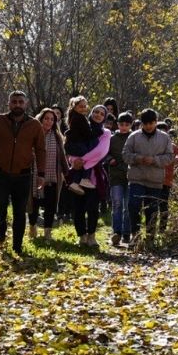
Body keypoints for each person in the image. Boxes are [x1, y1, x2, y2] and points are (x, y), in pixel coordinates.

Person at [0, 91, 45, 255]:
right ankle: (1, 228)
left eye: (20, 102)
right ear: (9, 104)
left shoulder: (34, 125)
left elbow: (41, 150)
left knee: (19, 211)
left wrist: (41, 174)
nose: (17, 105)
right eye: (14, 102)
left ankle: (17, 245)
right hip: (1, 173)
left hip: (23, 175)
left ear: (25, 104)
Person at [122, 108, 174, 246]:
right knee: (133, 206)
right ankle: (135, 236)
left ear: (156, 122)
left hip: (155, 180)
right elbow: (125, 155)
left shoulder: (165, 137)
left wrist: (155, 160)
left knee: (152, 211)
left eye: (151, 123)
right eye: (146, 123)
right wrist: (138, 158)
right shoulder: (133, 136)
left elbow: (169, 157)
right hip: (136, 179)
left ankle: (150, 239)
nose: (149, 126)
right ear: (142, 123)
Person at [71, 104, 112, 247]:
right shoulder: (81, 127)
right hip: (77, 172)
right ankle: (81, 236)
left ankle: (92, 235)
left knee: (93, 208)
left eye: (102, 113)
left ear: (104, 118)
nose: (98, 115)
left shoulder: (105, 133)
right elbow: (72, 145)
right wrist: (73, 160)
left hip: (94, 176)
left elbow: (100, 152)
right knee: (78, 208)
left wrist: (83, 161)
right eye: (96, 112)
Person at [27, 108, 68, 241]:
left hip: (52, 177)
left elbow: (62, 156)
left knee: (51, 205)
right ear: (41, 119)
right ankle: (32, 226)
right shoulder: (32, 134)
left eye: (52, 119)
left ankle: (47, 232)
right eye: (46, 118)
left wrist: (67, 174)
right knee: (34, 203)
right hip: (34, 175)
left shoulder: (57, 136)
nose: (49, 121)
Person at [64, 96, 103, 194]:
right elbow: (88, 134)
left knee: (81, 160)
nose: (84, 108)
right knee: (87, 156)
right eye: (81, 106)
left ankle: (75, 182)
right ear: (74, 107)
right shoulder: (80, 118)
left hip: (72, 144)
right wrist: (99, 131)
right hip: (76, 145)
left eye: (85, 106)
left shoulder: (74, 117)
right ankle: (84, 178)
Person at [156, 121, 178, 234]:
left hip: (166, 181)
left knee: (163, 206)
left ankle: (161, 230)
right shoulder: (152, 145)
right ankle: (150, 230)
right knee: (151, 206)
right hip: (152, 180)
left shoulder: (172, 146)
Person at [106, 112, 133, 246]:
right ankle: (116, 232)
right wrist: (110, 159)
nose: (124, 127)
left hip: (131, 176)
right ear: (118, 124)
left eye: (127, 125)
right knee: (117, 204)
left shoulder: (134, 137)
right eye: (121, 124)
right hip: (115, 176)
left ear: (130, 125)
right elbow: (105, 153)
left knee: (128, 206)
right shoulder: (112, 138)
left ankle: (127, 233)